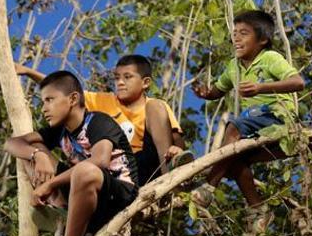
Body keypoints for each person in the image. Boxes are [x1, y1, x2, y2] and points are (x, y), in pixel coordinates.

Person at [4, 70, 139, 236]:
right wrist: (38, 156)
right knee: (33, 149)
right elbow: (11, 143)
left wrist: (50, 183)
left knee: (85, 171)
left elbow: (100, 161)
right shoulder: (59, 132)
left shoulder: (98, 121)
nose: (44, 108)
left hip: (116, 195)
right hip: (83, 190)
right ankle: (62, 210)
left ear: (73, 99)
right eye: (42, 102)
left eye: (50, 100)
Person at [191, 10, 305, 235]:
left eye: (244, 33)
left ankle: (208, 187)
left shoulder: (270, 58)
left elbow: (298, 82)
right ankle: (258, 208)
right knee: (234, 160)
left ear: (262, 40)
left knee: (234, 127)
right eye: (234, 33)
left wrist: (261, 88)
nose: (236, 38)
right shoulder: (233, 66)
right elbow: (218, 90)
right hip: (257, 126)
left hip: (277, 117)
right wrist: (206, 93)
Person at [16, 55, 186, 186]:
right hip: (112, 169)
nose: (120, 82)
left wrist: (177, 151)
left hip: (145, 165)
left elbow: (175, 138)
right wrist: (28, 72)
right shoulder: (104, 101)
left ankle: (171, 180)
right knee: (34, 148)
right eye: (117, 77)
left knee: (156, 107)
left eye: (127, 77)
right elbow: (63, 92)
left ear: (145, 82)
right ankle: (58, 201)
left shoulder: (155, 106)